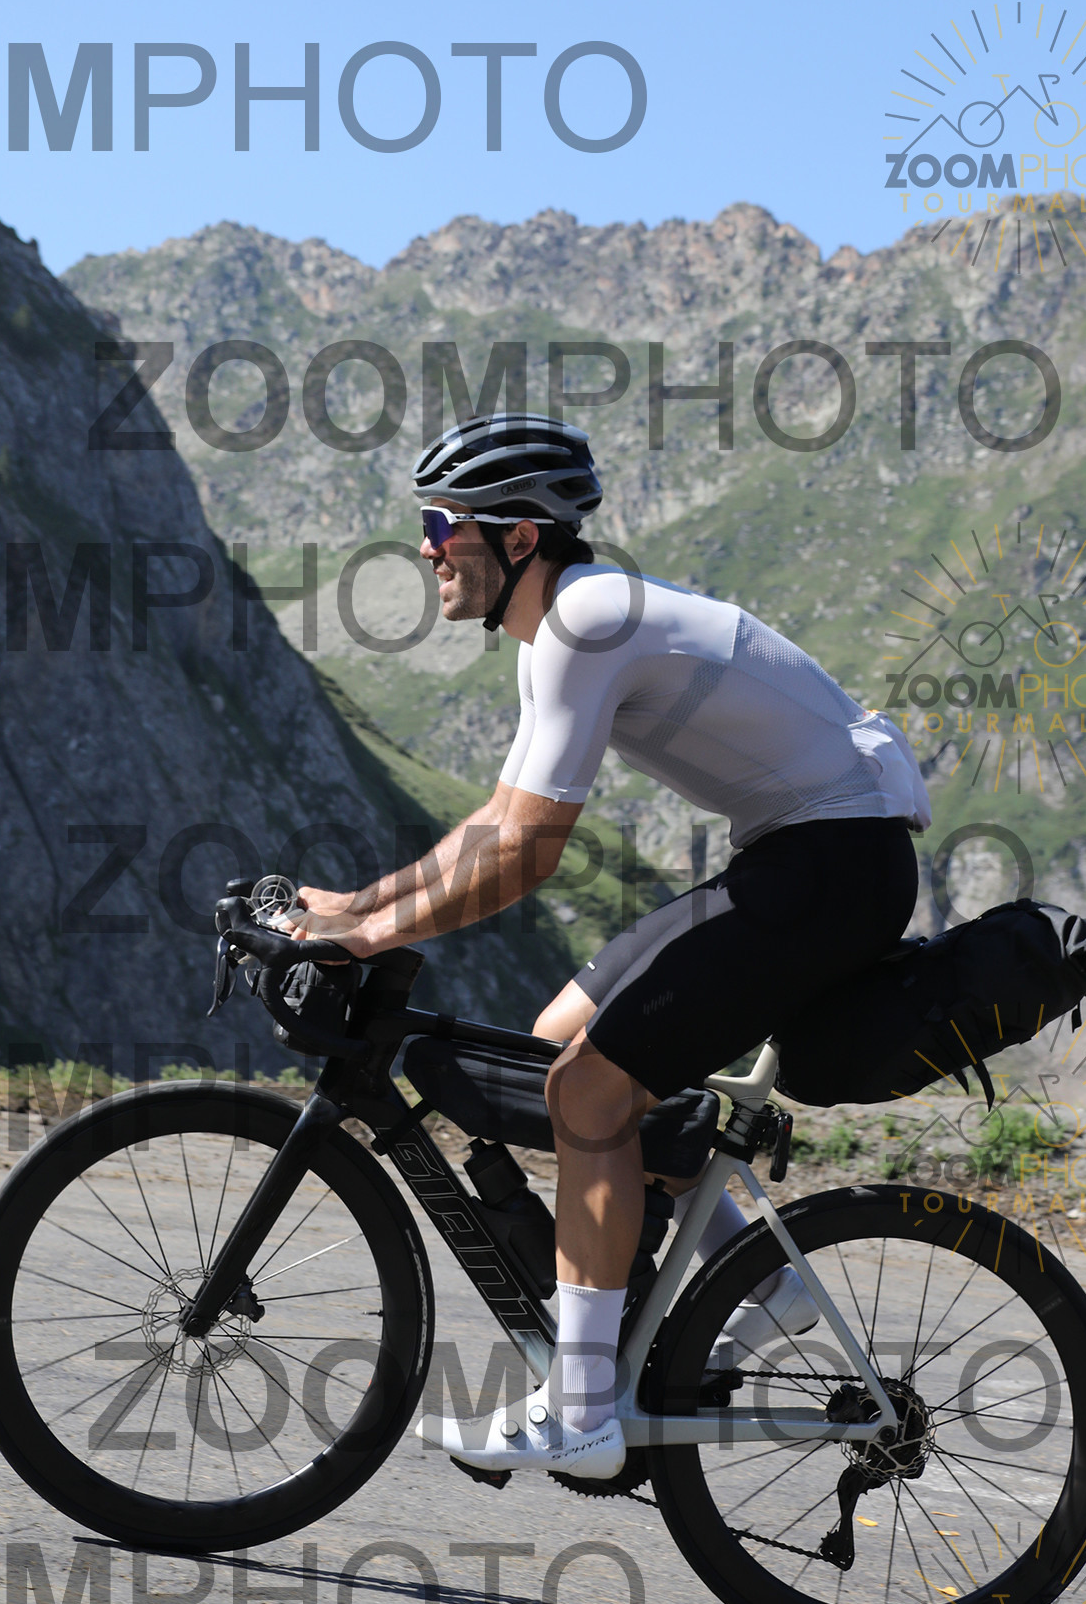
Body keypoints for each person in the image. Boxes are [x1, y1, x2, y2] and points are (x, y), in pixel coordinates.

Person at [289, 412, 929, 1479]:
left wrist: (371, 939)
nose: (426, 549)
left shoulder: (585, 622)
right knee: (561, 1042)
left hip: (830, 867)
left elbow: (526, 856)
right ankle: (754, 1274)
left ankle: (581, 1408)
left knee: (586, 1092)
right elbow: (497, 823)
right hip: (810, 856)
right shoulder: (567, 623)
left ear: (519, 538)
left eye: (442, 527)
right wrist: (357, 910)